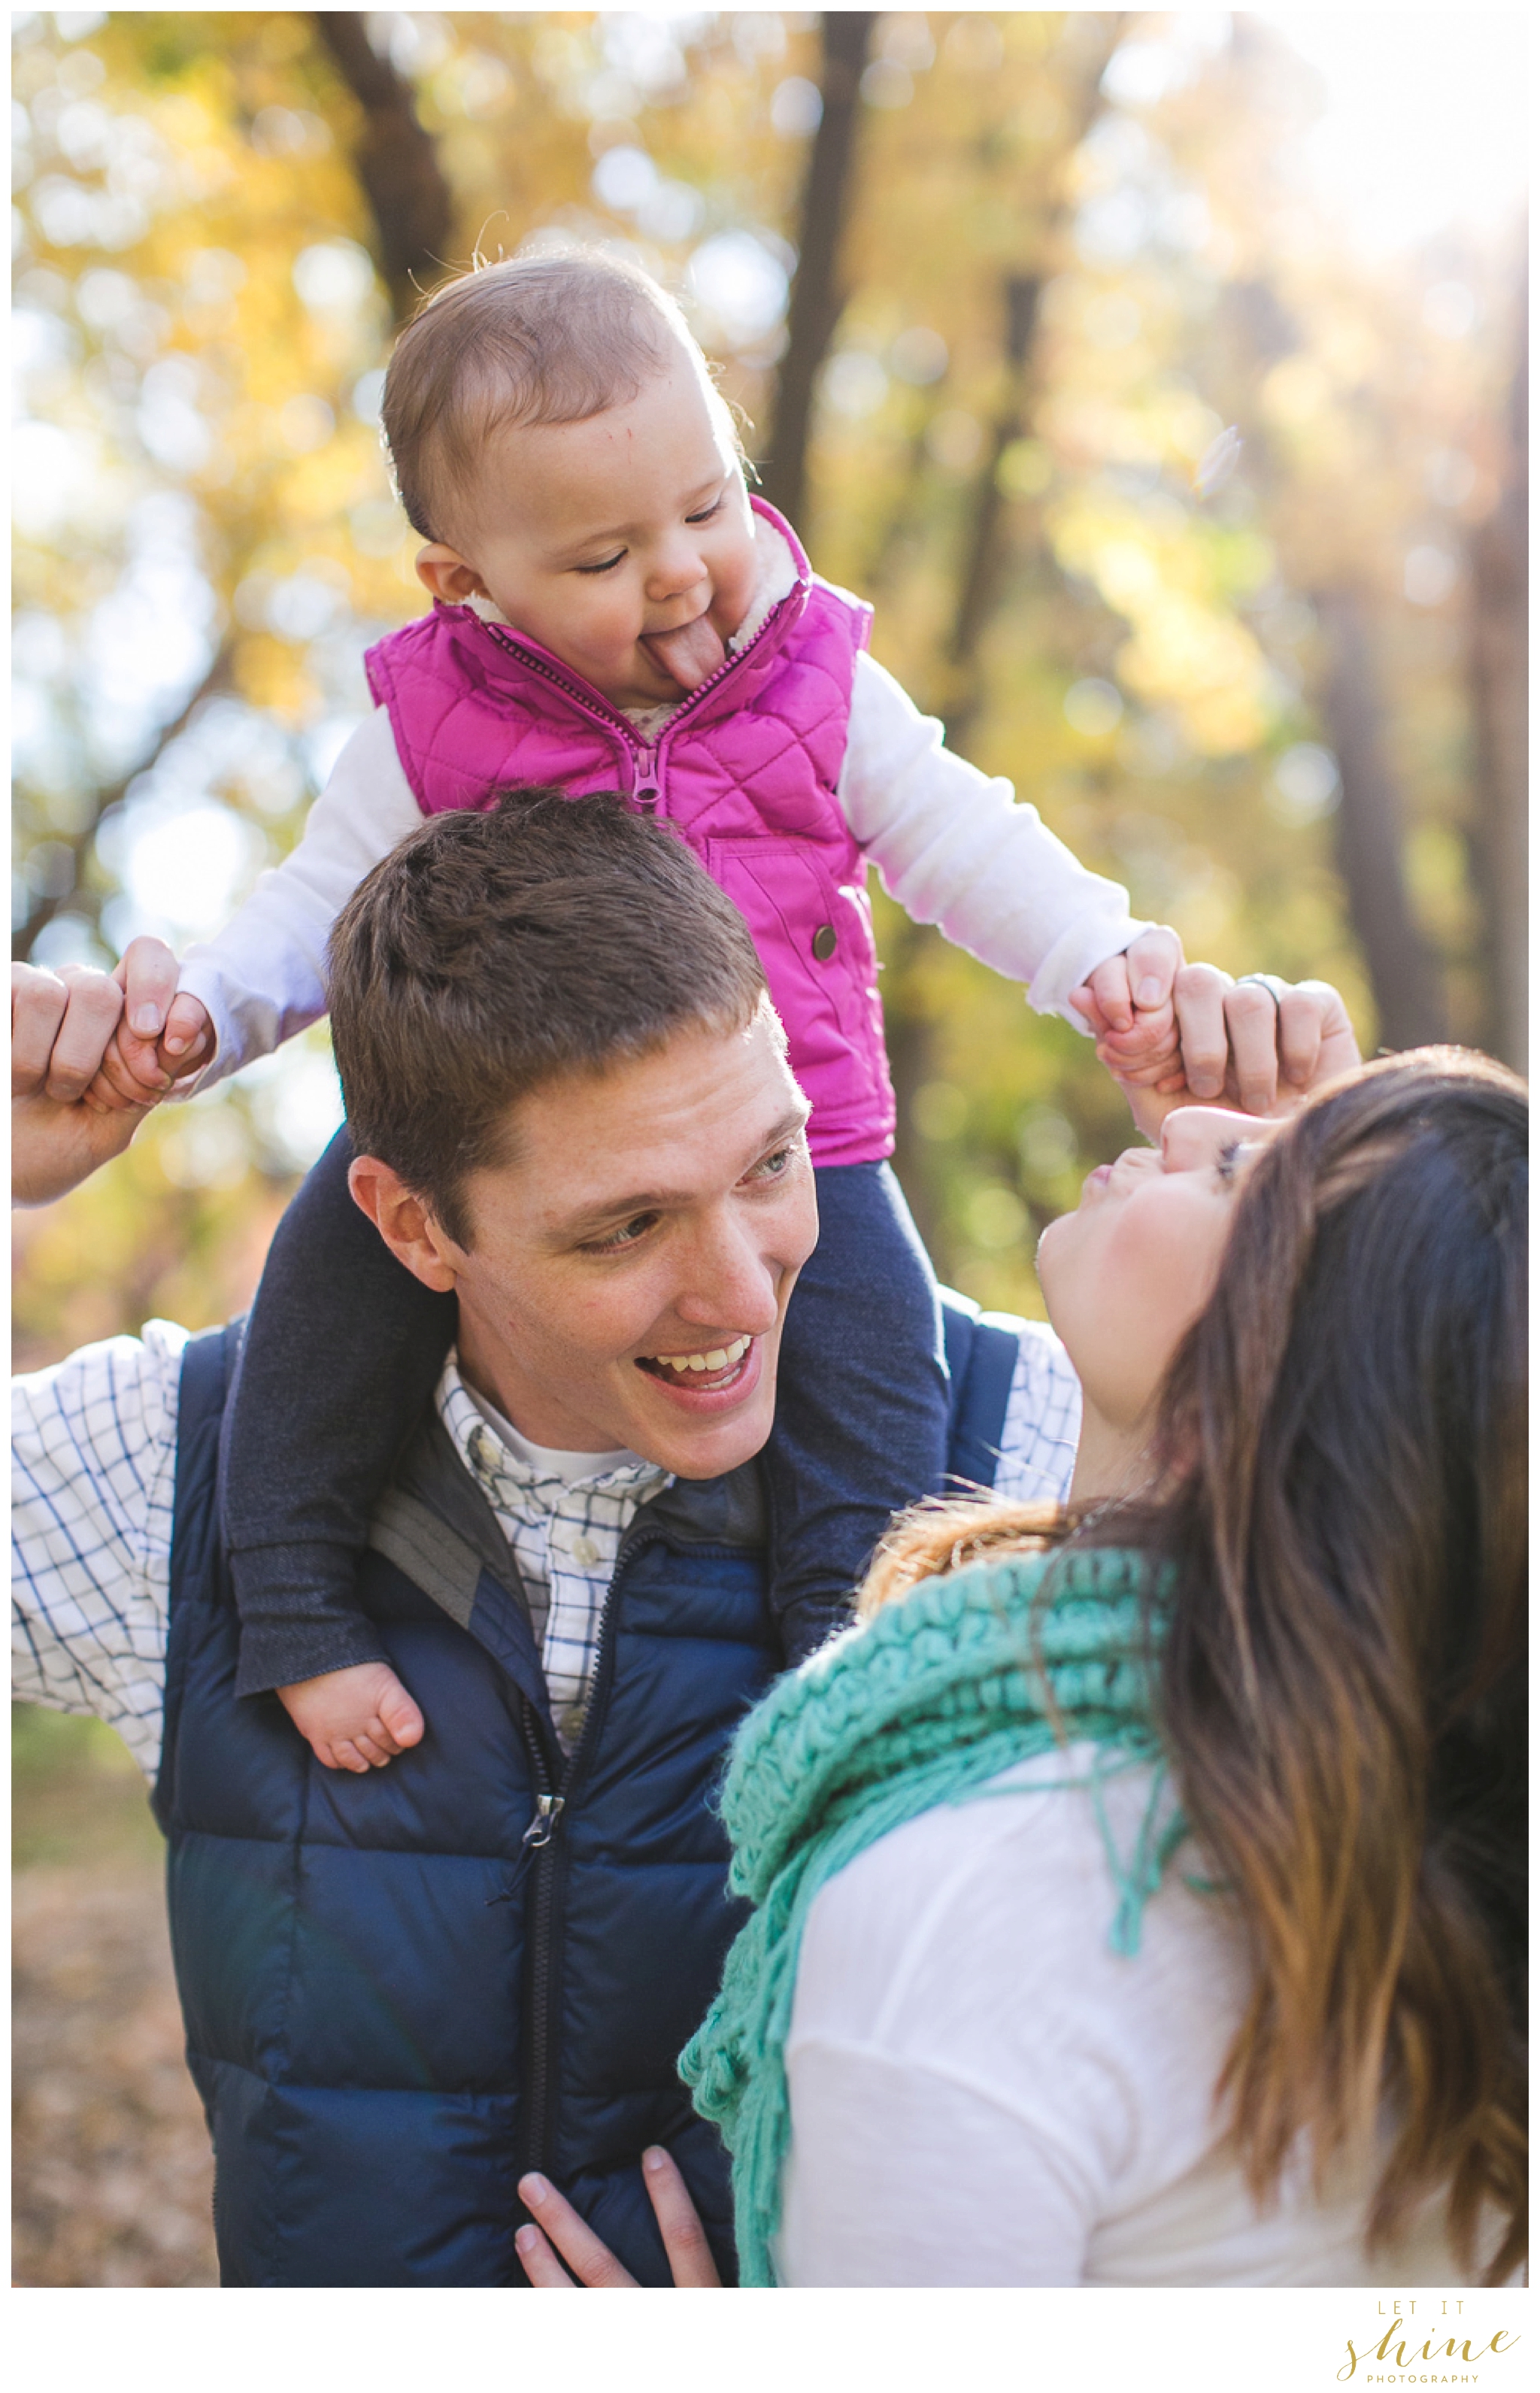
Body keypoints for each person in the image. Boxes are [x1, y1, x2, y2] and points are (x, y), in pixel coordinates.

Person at [73, 245, 1260, 1777]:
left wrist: (1100, 953)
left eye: (705, 505)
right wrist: (205, 1027)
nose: (683, 570)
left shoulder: (811, 673)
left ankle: (846, 1687)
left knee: (875, 1392)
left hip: (804, 1129)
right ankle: (294, 1606)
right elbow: (311, 906)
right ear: (465, 584)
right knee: (315, 1315)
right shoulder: (433, 717)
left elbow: (958, 832)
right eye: (603, 557)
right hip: (481, 1124)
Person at [10, 787, 1135, 2289]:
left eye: (770, 1166)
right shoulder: (179, 1468)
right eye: (626, 1227)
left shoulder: (1035, 1457)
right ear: (415, 1230)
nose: (742, 1291)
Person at [508, 1050, 1526, 2288]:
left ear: (1283, 1373)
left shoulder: (975, 1898)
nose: (1199, 1114)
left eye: (1245, 1164)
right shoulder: (1408, 1827)